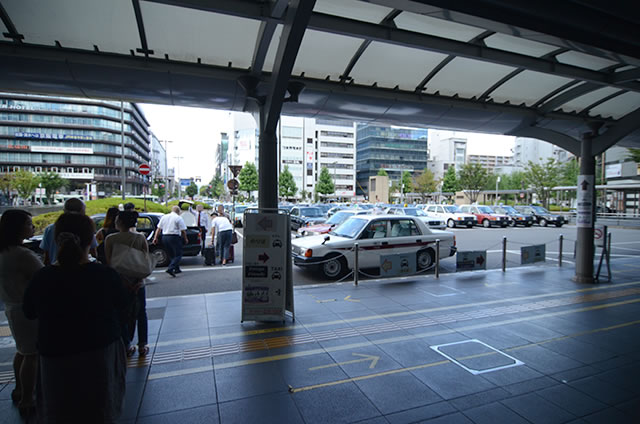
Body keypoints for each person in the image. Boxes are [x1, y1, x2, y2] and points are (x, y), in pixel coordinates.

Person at [23, 213, 127, 423]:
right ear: (91, 240)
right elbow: (123, 309)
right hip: (101, 351)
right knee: (100, 409)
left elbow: (29, 311)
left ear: (56, 239)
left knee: (60, 410)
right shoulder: (105, 275)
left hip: (54, 354)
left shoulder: (43, 277)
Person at [0, 210, 43, 417]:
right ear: (17, 228)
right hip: (27, 309)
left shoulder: (4, 251)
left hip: (11, 306)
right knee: (31, 355)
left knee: (22, 351)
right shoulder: (21, 254)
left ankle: (18, 389)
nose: (32, 227)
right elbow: (42, 275)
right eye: (28, 223)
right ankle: (28, 397)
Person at [105, 211, 149, 357]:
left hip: (119, 283)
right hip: (138, 283)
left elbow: (109, 263)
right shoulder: (140, 238)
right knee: (141, 312)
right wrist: (138, 281)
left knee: (121, 314)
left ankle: (126, 345)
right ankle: (142, 345)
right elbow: (145, 262)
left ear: (120, 222)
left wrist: (122, 280)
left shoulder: (110, 239)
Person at [40, 197, 97, 265]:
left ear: (64, 210)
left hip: (56, 271)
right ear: (82, 211)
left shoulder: (49, 229)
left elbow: (47, 257)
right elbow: (93, 253)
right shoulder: (85, 227)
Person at [152, 205, 188, 277]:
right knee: (178, 254)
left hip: (164, 236)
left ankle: (176, 268)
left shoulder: (164, 217)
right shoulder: (178, 218)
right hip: (174, 236)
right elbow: (183, 230)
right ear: (178, 211)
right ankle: (171, 268)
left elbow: (158, 229)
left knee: (171, 253)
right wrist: (185, 238)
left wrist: (155, 238)